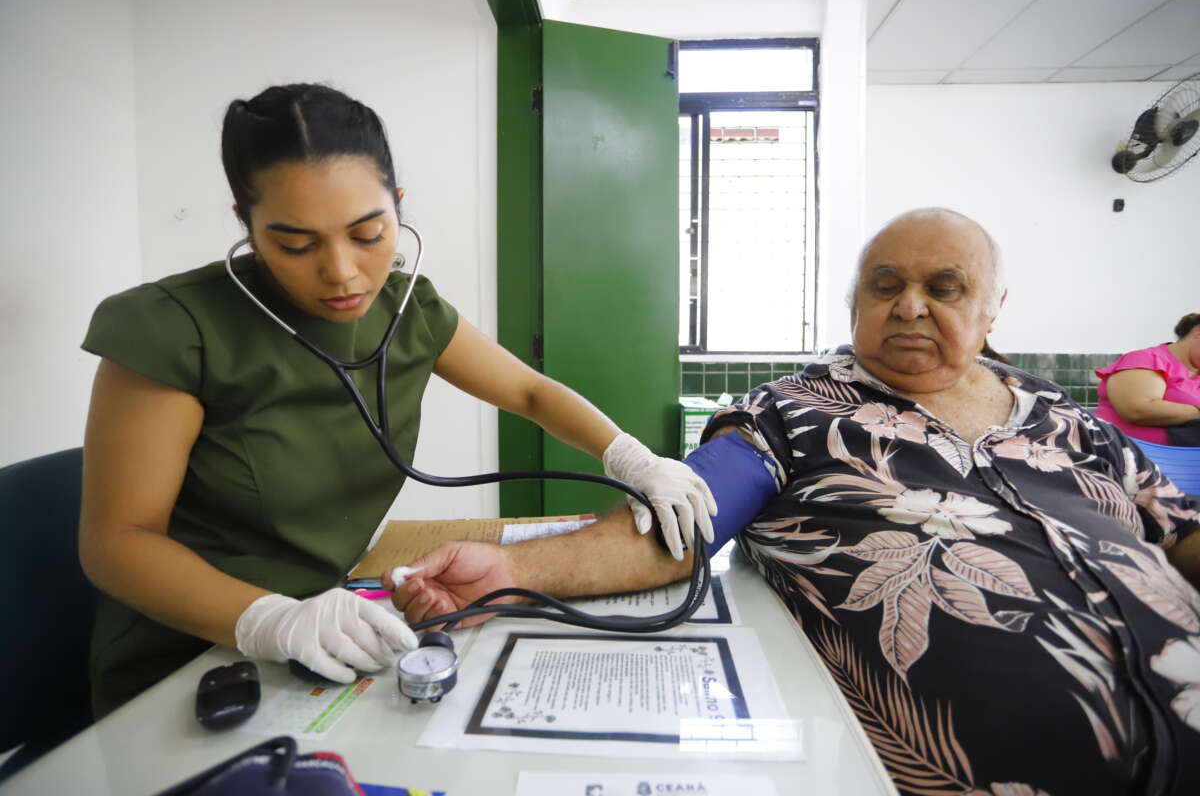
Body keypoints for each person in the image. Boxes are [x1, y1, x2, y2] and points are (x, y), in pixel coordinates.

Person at [388, 208, 1200, 796]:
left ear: (993, 310)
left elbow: (1181, 531)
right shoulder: (797, 410)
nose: (911, 305)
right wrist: (505, 570)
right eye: (886, 285)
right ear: (852, 302)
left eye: (944, 288)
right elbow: (679, 522)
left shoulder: (1062, 414)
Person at [78, 83, 714, 718]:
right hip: (195, 656)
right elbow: (118, 541)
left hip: (343, 628)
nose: (343, 272)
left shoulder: (409, 310)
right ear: (247, 225)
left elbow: (528, 390)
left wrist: (632, 457)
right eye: (295, 245)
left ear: (398, 206)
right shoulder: (173, 328)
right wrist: (267, 620)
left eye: (368, 233)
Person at [1095, 313, 1200, 445]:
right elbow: (1137, 410)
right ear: (1198, 331)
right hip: (1123, 452)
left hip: (1185, 461)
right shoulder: (1146, 358)